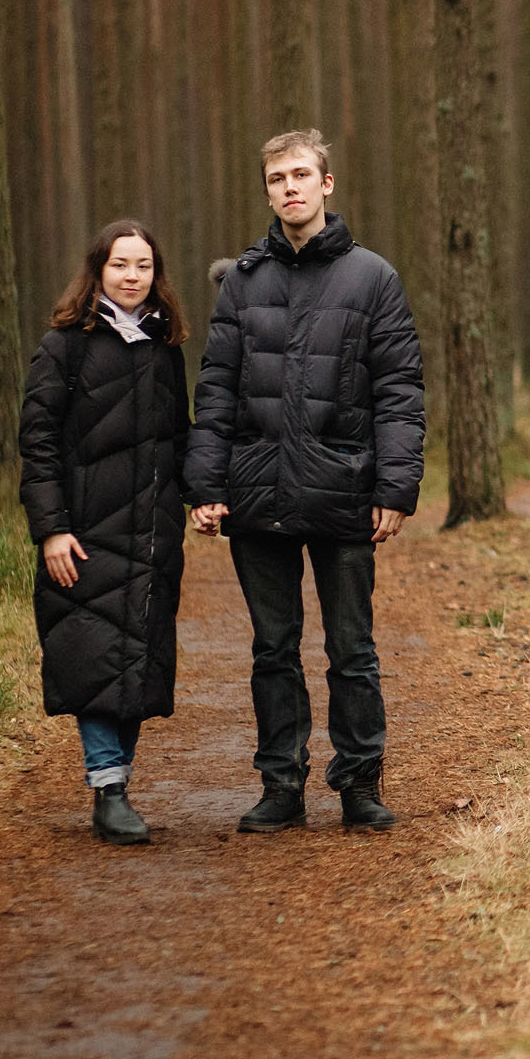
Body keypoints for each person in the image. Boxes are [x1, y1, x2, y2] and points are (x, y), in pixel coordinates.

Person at [187, 128, 425, 834]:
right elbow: (217, 388)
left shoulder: (373, 278)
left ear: (326, 184)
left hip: (345, 490)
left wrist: (394, 488)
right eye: (276, 179)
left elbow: (400, 392)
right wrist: (206, 486)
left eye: (300, 175)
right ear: (267, 192)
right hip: (257, 491)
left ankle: (359, 787)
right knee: (272, 648)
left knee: (353, 650)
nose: (288, 188)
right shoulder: (243, 281)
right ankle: (281, 786)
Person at [19, 219, 193, 846]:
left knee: (136, 656)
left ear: (156, 274)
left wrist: (200, 500)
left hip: (151, 532)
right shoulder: (63, 345)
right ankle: (109, 790)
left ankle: (118, 782)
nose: (132, 277)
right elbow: (38, 445)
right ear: (98, 271)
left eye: (143, 266)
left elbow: (179, 438)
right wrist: (51, 530)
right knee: (93, 649)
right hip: (84, 531)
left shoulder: (164, 346)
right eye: (121, 265)